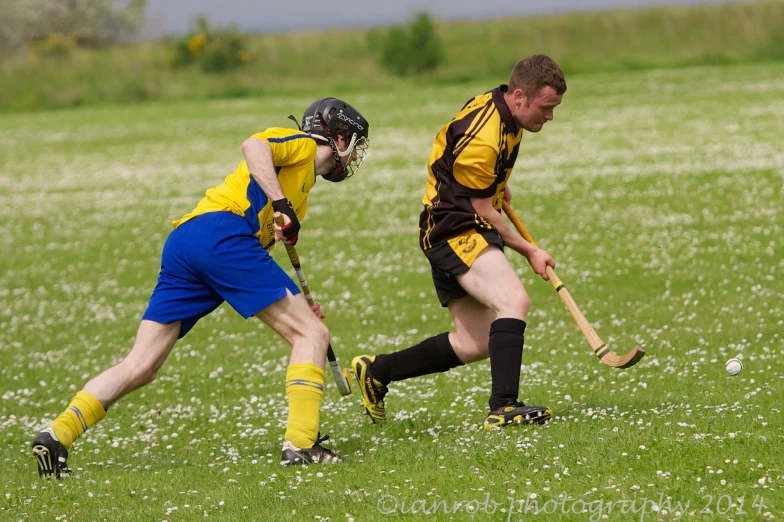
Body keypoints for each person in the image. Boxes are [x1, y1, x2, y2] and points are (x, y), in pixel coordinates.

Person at [32, 98, 370, 477]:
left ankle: (57, 434)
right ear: (337, 136)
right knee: (312, 334)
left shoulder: (300, 190)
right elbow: (253, 146)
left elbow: (258, 248)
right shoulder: (302, 143)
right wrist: (280, 204)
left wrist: (289, 261)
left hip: (187, 241)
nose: (354, 154)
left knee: (141, 364)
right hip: (220, 234)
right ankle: (302, 445)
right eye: (353, 143)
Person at [352, 55, 566, 429]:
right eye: (546, 108)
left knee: (477, 342)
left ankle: (377, 370)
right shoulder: (485, 137)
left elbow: (467, 171)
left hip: (462, 219)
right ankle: (503, 407)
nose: (549, 117)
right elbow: (484, 209)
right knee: (513, 300)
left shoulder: (504, 112)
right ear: (519, 96)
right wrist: (531, 250)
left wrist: (496, 182)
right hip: (454, 228)